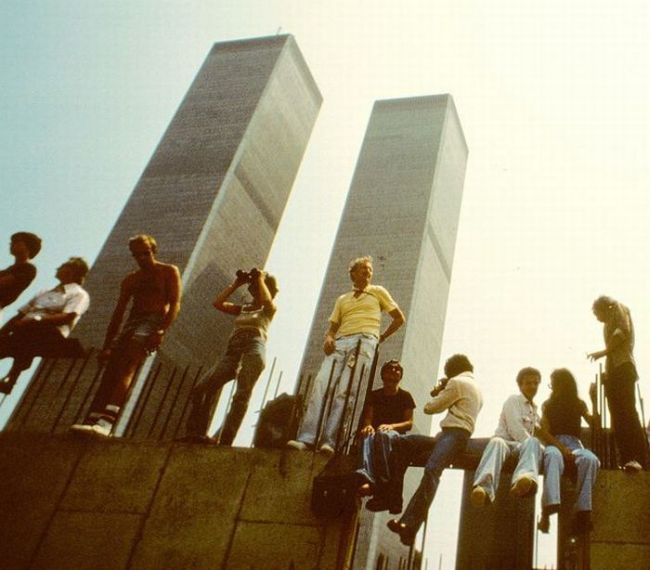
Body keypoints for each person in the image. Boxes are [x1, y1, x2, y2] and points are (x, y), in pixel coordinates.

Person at [287, 256, 405, 454]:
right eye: (364, 269)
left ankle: (330, 442)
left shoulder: (378, 292)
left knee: (345, 391)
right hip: (341, 343)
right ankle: (306, 438)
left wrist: (380, 337)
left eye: (370, 270)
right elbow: (333, 326)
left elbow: (399, 318)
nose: (368, 272)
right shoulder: (342, 299)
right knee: (321, 384)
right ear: (353, 273)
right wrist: (329, 337)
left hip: (364, 342)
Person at [70, 235, 181, 437]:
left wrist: (161, 330)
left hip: (152, 320)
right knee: (111, 369)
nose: (142, 257)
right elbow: (119, 312)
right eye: (137, 255)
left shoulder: (168, 271)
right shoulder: (131, 279)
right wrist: (107, 345)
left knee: (128, 365)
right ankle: (92, 419)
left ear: (153, 251)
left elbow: (175, 303)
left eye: (146, 253)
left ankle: (106, 422)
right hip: (132, 322)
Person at [386, 354, 482, 546]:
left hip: (453, 435)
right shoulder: (475, 387)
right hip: (451, 436)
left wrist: (441, 388)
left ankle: (409, 524)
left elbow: (430, 408)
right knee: (405, 443)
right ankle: (396, 500)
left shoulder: (456, 382)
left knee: (432, 470)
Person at [182, 268, 278, 445]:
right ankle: (196, 433)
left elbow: (266, 301)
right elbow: (218, 303)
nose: (254, 290)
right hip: (233, 350)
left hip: (253, 347)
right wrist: (236, 284)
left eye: (257, 287)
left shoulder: (268, 309)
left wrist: (261, 278)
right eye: (253, 287)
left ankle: (225, 439)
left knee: (241, 395)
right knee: (202, 388)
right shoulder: (244, 308)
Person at [0, 257, 90, 394]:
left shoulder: (79, 294)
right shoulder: (45, 292)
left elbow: (67, 317)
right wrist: (3, 331)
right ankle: (10, 376)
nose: (57, 268)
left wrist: (36, 319)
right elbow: (21, 314)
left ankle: (12, 377)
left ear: (72, 271)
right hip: (24, 329)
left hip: (51, 331)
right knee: (10, 341)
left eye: (62, 266)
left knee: (31, 332)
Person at [470, 367, 552, 508]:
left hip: (521, 449)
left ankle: (523, 480)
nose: (532, 386)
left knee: (534, 441)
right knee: (496, 442)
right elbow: (516, 429)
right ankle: (483, 488)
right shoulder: (513, 401)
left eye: (535, 383)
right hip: (505, 444)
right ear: (520, 385)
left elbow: (542, 433)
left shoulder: (535, 411)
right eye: (528, 383)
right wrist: (533, 447)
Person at [538, 368, 600, 536]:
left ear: (562, 384)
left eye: (553, 383)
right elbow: (545, 432)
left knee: (591, 459)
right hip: (554, 442)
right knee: (552, 455)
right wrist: (561, 448)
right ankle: (550, 506)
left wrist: (594, 400)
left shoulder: (579, 404)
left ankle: (583, 511)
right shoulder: (548, 405)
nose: (551, 387)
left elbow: (594, 424)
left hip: (575, 444)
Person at [588, 295, 646, 472]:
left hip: (623, 368)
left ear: (605, 308)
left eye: (598, 313)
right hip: (615, 370)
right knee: (618, 417)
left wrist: (604, 352)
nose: (598, 319)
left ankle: (638, 457)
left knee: (627, 412)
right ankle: (628, 458)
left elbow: (622, 332)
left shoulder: (618, 308)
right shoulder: (607, 323)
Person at [355, 359, 415, 497]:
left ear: (400, 376)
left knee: (383, 434)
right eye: (389, 369)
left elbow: (409, 423)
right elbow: (368, 417)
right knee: (366, 434)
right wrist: (368, 426)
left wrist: (391, 426)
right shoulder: (374, 395)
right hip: (376, 433)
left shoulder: (405, 396)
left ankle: (383, 481)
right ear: (382, 375)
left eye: (397, 369)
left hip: (396, 435)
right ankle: (366, 475)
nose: (393, 371)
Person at [0, 232, 42, 318]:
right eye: (12, 242)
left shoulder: (28, 269)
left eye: (17, 241)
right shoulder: (7, 270)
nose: (12, 244)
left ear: (28, 247)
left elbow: (3, 283)